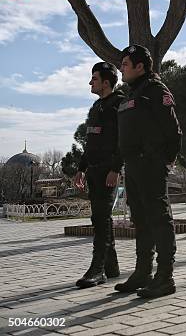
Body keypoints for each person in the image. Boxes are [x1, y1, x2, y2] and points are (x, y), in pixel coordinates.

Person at [115, 44, 182, 298]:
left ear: (140, 66)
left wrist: (165, 161)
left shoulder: (155, 90)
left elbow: (173, 130)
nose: (121, 68)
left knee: (159, 219)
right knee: (141, 221)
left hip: (151, 165)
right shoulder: (132, 93)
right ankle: (142, 272)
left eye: (125, 64)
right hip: (132, 166)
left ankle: (165, 276)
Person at [74, 62, 124, 289]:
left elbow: (122, 141)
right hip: (93, 170)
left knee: (101, 218)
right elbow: (90, 142)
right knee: (100, 218)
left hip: (107, 171)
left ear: (106, 82)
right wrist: (81, 168)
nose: (90, 82)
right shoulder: (96, 107)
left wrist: (115, 168)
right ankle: (111, 267)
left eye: (94, 78)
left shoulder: (118, 105)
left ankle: (98, 269)